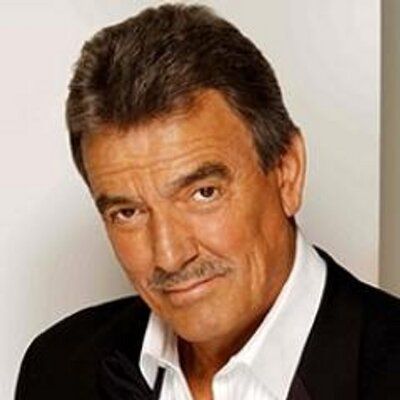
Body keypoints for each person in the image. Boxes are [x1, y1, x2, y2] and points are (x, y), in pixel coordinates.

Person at [15, 4, 400, 400]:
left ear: (287, 171)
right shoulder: (58, 368)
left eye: (203, 193)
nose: (169, 257)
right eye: (127, 213)